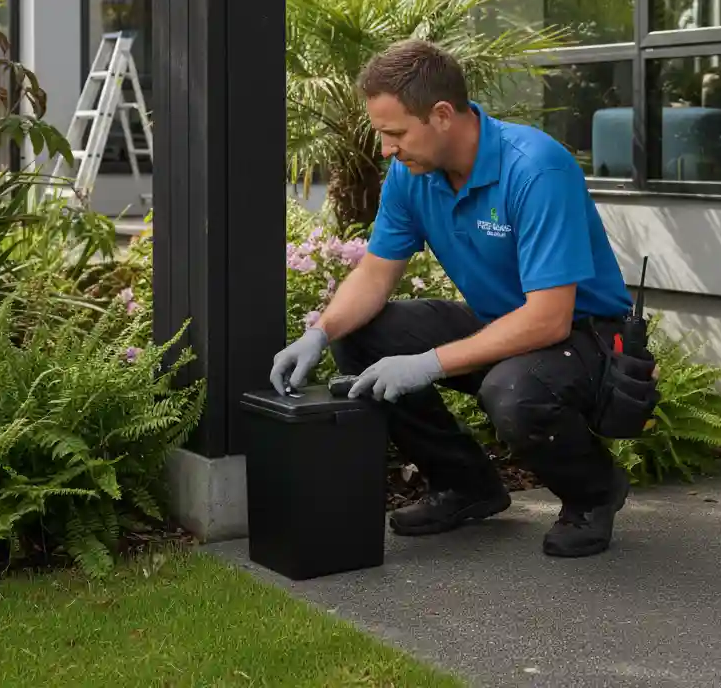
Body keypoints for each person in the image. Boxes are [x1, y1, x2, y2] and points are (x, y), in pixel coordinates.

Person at [270, 39, 636, 558]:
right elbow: (375, 273)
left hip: (587, 337)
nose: (386, 149)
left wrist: (428, 363)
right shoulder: (410, 174)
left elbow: (549, 319)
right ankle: (466, 486)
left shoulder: (535, 169)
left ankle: (594, 493)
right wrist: (320, 331)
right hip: (505, 323)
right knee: (361, 335)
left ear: (442, 115)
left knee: (515, 394)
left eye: (395, 133)